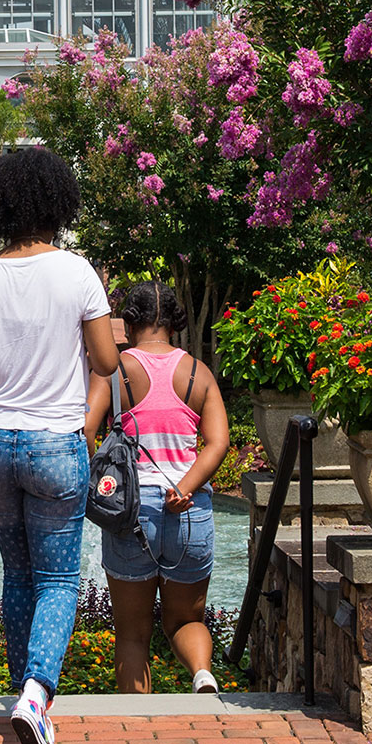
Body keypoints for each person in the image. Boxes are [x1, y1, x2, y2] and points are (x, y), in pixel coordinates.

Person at [0, 148, 119, 744]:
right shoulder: (78, 273)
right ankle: (35, 694)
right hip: (56, 440)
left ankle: (29, 701)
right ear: (57, 204)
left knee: (18, 572)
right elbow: (106, 363)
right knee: (57, 577)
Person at [85, 280, 230, 695]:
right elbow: (217, 443)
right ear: (175, 323)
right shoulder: (198, 373)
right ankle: (202, 673)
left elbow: (86, 429)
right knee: (186, 620)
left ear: (129, 322)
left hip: (130, 512)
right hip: (188, 509)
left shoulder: (115, 370)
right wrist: (183, 486)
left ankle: (138, 723)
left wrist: (101, 479)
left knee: (132, 634)